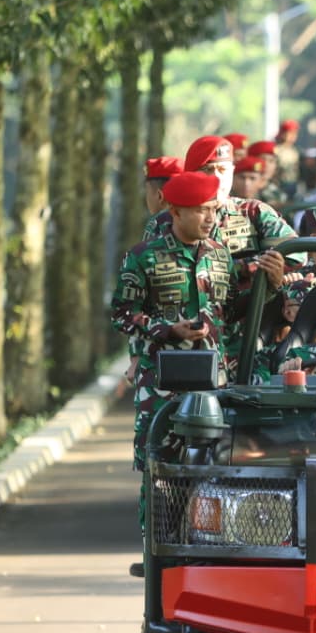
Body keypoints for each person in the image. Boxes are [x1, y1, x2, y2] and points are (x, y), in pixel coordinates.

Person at [110, 171, 232, 491]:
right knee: (157, 471)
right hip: (161, 381)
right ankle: (154, 537)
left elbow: (229, 311)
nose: (210, 218)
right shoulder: (143, 257)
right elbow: (122, 313)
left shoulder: (221, 255)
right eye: (201, 210)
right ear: (176, 212)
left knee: (218, 468)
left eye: (213, 210)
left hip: (213, 380)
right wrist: (167, 330)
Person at [184, 134, 302, 379]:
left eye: (223, 170)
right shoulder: (170, 221)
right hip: (185, 341)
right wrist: (249, 268)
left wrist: (273, 274)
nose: (217, 177)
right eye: (209, 170)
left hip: (246, 342)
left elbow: (295, 257)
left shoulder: (253, 213)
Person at [247, 140, 286, 206]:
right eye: (262, 159)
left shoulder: (277, 194)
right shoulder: (242, 189)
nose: (267, 165)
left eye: (271, 161)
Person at [273, 119, 302, 192]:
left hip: (293, 184)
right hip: (279, 185)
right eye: (290, 133)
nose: (293, 136)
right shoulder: (276, 150)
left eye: (295, 133)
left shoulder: (294, 151)